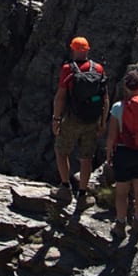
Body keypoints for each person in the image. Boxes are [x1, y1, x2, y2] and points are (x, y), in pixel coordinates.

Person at [51, 36, 108, 203]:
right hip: (92, 120)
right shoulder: (98, 68)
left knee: (61, 151)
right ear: (87, 50)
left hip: (71, 119)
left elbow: (60, 97)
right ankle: (82, 195)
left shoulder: (68, 69)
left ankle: (65, 188)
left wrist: (56, 119)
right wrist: (103, 122)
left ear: (73, 49)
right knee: (86, 158)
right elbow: (105, 99)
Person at [105, 69, 138, 238]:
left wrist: (109, 154)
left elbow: (112, 135)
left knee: (121, 191)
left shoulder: (117, 108)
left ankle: (120, 225)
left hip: (122, 152)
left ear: (125, 87)